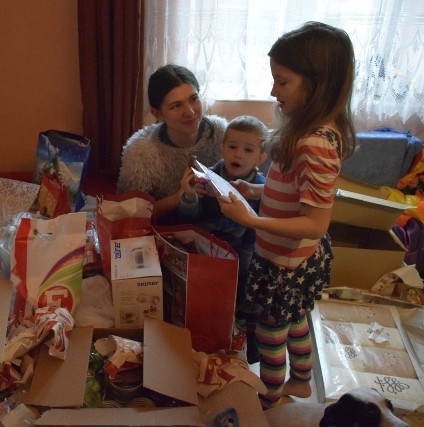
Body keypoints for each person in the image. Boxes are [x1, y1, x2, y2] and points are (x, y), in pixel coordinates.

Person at [217, 22, 357, 409]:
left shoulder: (315, 143)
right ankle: (299, 381)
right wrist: (256, 191)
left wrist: (252, 220)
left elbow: (316, 221)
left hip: (287, 259)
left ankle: (271, 393)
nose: (273, 91)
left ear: (316, 83)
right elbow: (296, 194)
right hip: (296, 255)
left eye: (282, 82)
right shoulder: (308, 130)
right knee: (295, 318)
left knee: (270, 328)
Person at [178, 115, 269, 362]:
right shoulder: (208, 176)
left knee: (248, 280)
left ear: (260, 157)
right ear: (222, 148)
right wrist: (188, 195)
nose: (238, 154)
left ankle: (243, 327)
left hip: (242, 250)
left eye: (248, 150)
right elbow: (192, 216)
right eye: (232, 147)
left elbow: (259, 232)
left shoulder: (261, 187)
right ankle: (201, 325)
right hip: (206, 242)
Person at [117, 64, 227, 224]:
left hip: (220, 228)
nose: (190, 112)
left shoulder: (221, 134)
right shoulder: (141, 152)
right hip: (166, 231)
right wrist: (179, 197)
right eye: (176, 105)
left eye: (194, 99)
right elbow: (131, 214)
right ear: (157, 113)